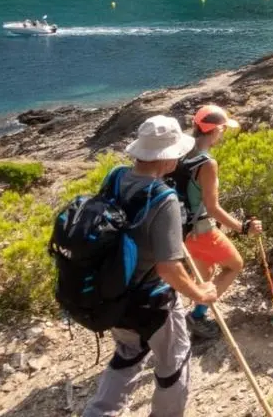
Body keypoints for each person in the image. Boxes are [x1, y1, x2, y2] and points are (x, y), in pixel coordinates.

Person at [84, 115, 218, 417]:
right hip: (150, 300)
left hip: (111, 291)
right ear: (168, 157)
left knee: (128, 353)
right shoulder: (164, 199)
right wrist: (200, 293)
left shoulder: (116, 176)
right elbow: (168, 269)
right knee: (175, 362)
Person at [177, 105, 263, 341]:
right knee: (234, 265)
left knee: (205, 272)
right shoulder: (207, 163)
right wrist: (243, 228)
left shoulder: (181, 151)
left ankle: (193, 317)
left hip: (182, 231)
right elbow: (213, 208)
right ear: (216, 130)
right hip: (202, 230)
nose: (223, 135)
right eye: (223, 130)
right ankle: (197, 316)